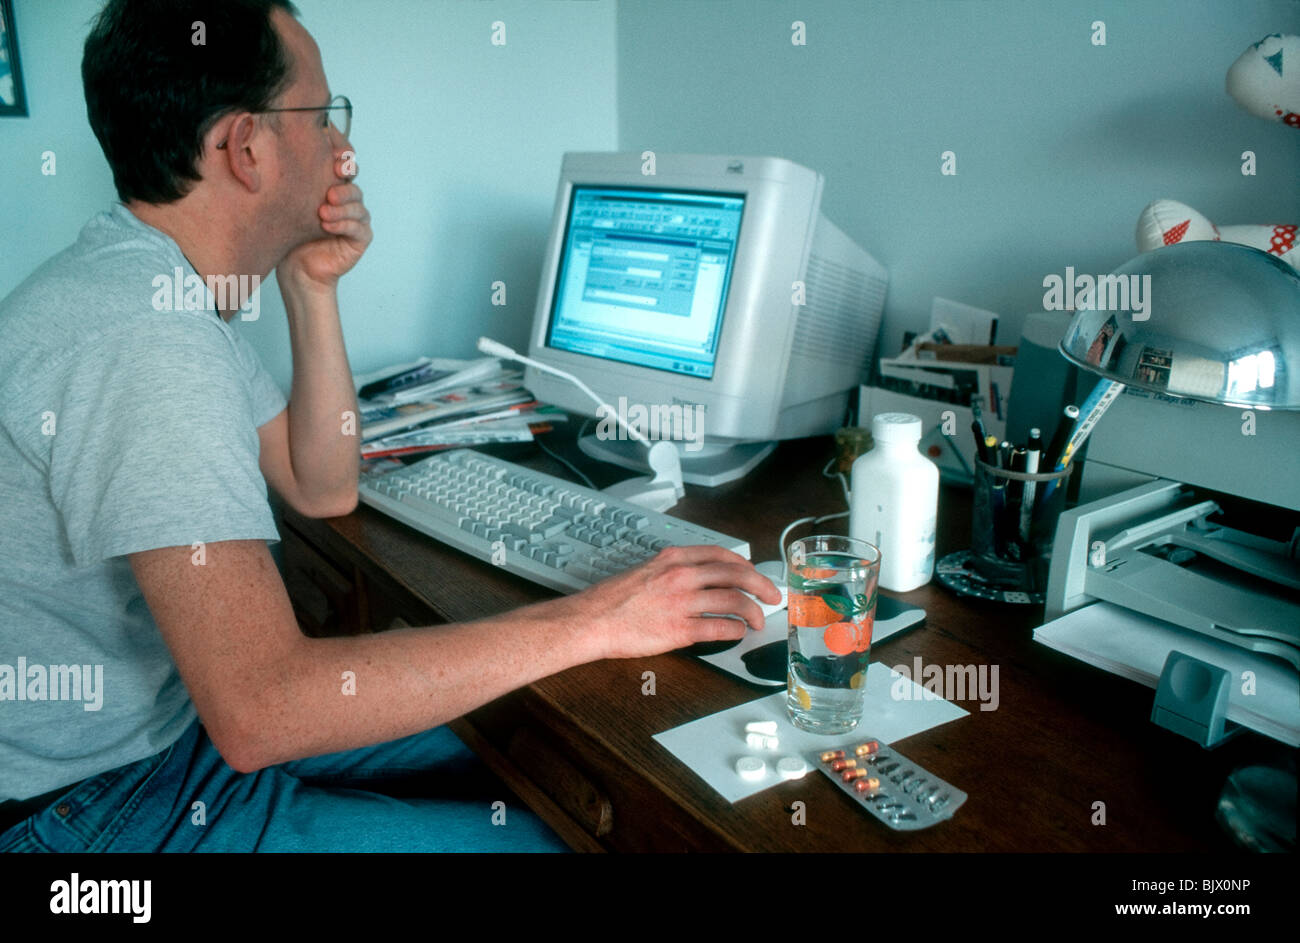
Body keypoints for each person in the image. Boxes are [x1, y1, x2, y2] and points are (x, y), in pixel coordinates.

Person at [0, 0, 779, 852]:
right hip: (91, 808)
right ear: (244, 148)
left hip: (167, 737)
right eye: (323, 113)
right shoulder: (149, 344)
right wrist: (599, 619)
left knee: (524, 734)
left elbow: (321, 484)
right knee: (570, 834)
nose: (344, 148)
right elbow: (262, 709)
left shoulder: (148, 284)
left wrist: (314, 287)